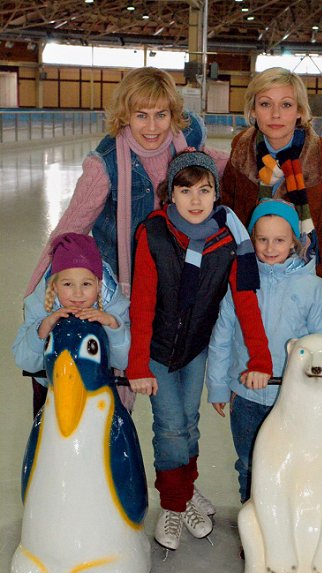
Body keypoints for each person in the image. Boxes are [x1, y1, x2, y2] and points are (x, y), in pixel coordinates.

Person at [24, 67, 227, 411]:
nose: (152, 127)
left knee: (174, 416)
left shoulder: (187, 148)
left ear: (173, 115)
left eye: (161, 114)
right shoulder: (104, 165)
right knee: (115, 393)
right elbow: (69, 229)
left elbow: (226, 167)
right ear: (125, 115)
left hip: (173, 289)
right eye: (141, 115)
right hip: (121, 288)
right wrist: (34, 289)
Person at [127, 150, 273, 551]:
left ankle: (185, 489)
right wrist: (137, 363)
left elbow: (245, 300)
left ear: (216, 195)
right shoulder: (153, 233)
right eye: (185, 189)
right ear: (169, 195)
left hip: (194, 350)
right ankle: (173, 506)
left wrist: (261, 357)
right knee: (171, 427)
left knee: (188, 424)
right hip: (156, 350)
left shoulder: (229, 239)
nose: (195, 199)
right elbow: (140, 304)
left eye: (204, 190)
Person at [206, 198, 322, 504]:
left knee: (291, 461)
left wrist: (321, 391)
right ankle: (253, 519)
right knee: (249, 462)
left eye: (279, 239)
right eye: (262, 239)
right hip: (246, 395)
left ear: (294, 240)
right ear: (252, 240)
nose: (269, 247)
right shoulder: (240, 281)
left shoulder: (313, 288)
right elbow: (222, 336)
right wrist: (218, 387)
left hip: (293, 396)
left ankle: (287, 515)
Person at [221, 66, 322, 306]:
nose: (275, 114)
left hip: (311, 290)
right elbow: (227, 219)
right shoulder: (240, 154)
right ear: (253, 109)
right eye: (265, 104)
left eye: (286, 105)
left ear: (300, 111)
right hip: (251, 287)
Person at [13, 233, 130, 414]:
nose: (78, 294)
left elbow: (122, 362)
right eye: (68, 284)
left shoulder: (113, 305)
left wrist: (112, 325)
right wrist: (43, 328)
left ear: (99, 286)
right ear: (55, 285)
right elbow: (25, 362)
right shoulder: (39, 304)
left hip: (98, 394)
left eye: (86, 284)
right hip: (53, 393)